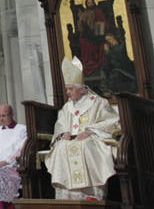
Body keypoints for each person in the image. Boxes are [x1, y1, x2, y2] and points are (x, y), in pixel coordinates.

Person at [42, 57, 121, 200]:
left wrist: (90, 131)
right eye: (67, 89)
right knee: (60, 147)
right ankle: (66, 198)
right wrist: (63, 133)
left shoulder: (99, 103)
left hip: (92, 139)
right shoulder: (67, 107)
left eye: (70, 89)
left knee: (86, 146)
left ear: (82, 90)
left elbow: (112, 122)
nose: (67, 92)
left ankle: (91, 197)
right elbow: (60, 125)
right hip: (71, 140)